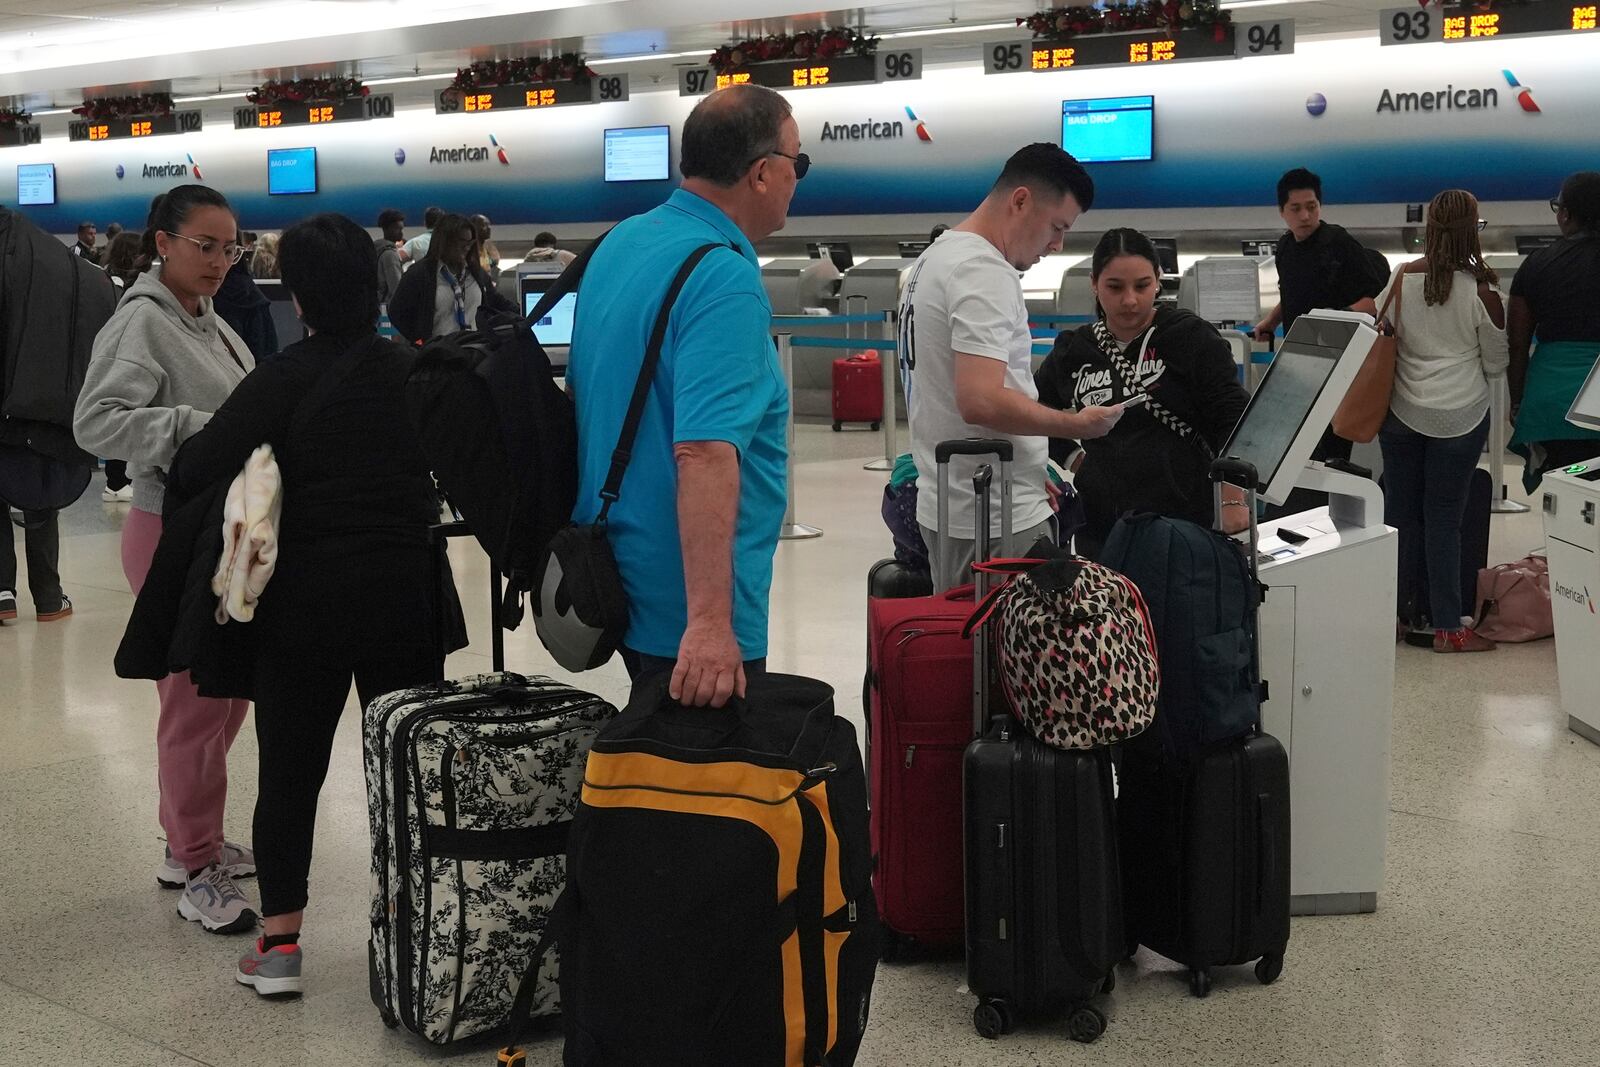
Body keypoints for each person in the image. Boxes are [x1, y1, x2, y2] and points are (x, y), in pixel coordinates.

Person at [161, 212, 455, 997]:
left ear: (297, 294)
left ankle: (281, 947)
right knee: (405, 763)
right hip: (406, 595)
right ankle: (418, 927)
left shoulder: (282, 377)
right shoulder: (414, 371)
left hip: (304, 604)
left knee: (290, 770)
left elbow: (198, 467)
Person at [567, 83, 799, 708]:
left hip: (618, 571)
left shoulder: (622, 242)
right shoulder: (723, 278)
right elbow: (702, 451)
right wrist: (709, 625)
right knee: (702, 798)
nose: (796, 178)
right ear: (759, 173)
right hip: (689, 608)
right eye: (795, 163)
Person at [73, 185, 259, 935]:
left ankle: (197, 838)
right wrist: (194, 427)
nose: (220, 260)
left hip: (226, 532)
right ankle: (191, 859)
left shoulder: (206, 320)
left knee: (229, 688)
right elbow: (96, 421)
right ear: (163, 244)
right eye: (205, 245)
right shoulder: (143, 323)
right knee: (195, 698)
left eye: (230, 246)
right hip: (172, 531)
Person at [899, 142, 1121, 592]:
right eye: (1057, 227)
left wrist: (1032, 465)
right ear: (1020, 200)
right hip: (993, 517)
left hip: (952, 502)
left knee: (970, 650)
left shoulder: (934, 259)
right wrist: (1073, 424)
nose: (1057, 245)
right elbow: (980, 400)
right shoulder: (983, 270)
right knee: (1011, 658)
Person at [1037, 228, 1251, 558]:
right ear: (1094, 283)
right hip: (1103, 524)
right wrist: (1075, 459)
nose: (1130, 300)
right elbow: (1035, 408)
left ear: (1158, 280)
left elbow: (1233, 417)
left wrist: (1232, 496)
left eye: (1142, 285)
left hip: (1184, 517)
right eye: (1115, 287)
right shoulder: (1076, 348)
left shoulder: (1190, 337)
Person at [1376, 189, 1508, 654]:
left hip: (1401, 416)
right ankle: (1450, 628)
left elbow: (1378, 331)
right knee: (1444, 522)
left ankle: (1390, 617)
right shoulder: (1483, 292)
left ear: (1429, 229)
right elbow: (1496, 365)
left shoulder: (1400, 280)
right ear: (1473, 229)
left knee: (1398, 518)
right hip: (1459, 419)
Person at [1252, 167, 1389, 463]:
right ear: (1282, 212)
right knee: (1303, 446)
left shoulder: (1338, 243)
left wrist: (1335, 319)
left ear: (1320, 206)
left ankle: (1332, 505)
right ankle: (1310, 503)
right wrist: (1271, 321)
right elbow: (1290, 293)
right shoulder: (1285, 247)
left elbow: (1377, 300)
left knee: (1333, 448)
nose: (1304, 216)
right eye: (1296, 209)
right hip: (1300, 360)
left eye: (1311, 207)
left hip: (1339, 360)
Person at [1508, 171, 1600, 490]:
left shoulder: (1536, 264)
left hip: (1552, 409)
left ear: (1567, 214)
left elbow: (1517, 343)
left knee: (1567, 493)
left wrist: (1517, 401)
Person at [385, 212, 513, 345]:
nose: (467, 247)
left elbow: (497, 302)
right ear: (445, 242)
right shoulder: (420, 274)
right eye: (462, 242)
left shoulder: (477, 274)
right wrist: (419, 340)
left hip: (476, 351)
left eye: (470, 242)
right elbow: (396, 311)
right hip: (438, 355)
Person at [375, 208, 405, 304]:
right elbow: (396, 288)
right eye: (397, 229)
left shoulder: (377, 249)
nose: (401, 233)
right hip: (388, 306)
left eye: (401, 229)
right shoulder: (390, 254)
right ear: (387, 229)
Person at [470, 213, 500, 277]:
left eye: (489, 225)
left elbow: (494, 262)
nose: (489, 228)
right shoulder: (469, 250)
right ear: (474, 227)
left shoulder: (487, 247)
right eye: (484, 225)